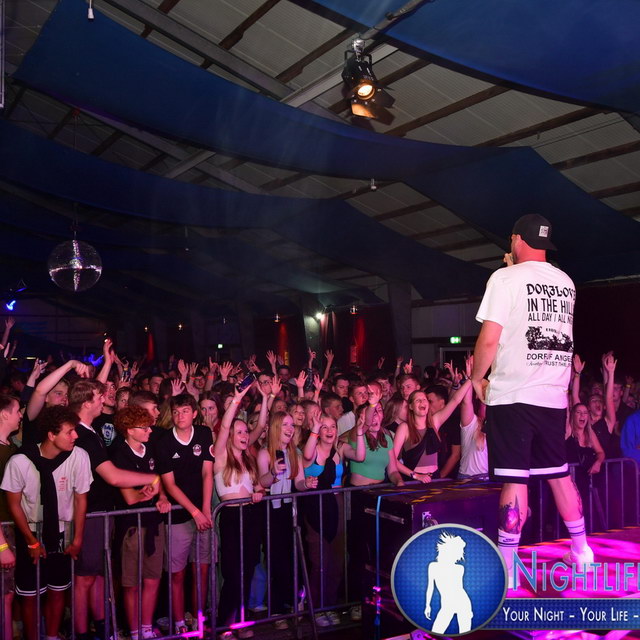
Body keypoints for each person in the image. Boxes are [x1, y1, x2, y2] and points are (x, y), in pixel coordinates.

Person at [471, 214, 592, 589]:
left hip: (514, 395)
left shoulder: (503, 279)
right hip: (553, 396)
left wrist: (476, 377)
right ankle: (581, 550)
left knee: (514, 480)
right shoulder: (565, 282)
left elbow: (490, 338)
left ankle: (508, 568)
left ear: (516, 240)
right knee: (559, 474)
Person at [70, 379, 160, 640]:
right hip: (88, 513)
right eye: (99, 397)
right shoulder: (81, 434)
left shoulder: (90, 431)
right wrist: (152, 478)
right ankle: (82, 633)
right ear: (87, 403)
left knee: (97, 575)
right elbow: (113, 476)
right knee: (84, 578)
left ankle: (103, 628)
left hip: (100, 511)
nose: (104, 399)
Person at [2, 406, 92, 640]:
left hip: (63, 529)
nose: (76, 436)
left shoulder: (79, 456)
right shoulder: (20, 460)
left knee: (58, 589)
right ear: (52, 435)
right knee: (30, 594)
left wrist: (77, 538)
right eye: (69, 432)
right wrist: (31, 541)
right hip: (31, 530)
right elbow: (14, 504)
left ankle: (51, 636)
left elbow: (81, 499)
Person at [155, 393, 214, 635]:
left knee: (201, 570)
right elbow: (169, 485)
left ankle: (198, 619)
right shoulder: (163, 441)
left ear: (194, 413)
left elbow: (207, 473)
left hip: (202, 512)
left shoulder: (204, 434)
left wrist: (206, 509)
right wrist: (195, 512)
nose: (180, 416)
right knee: (177, 574)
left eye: (185, 411)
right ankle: (180, 623)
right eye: (176, 412)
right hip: (178, 516)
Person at [111, 407, 171, 640]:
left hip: (154, 524)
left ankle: (146, 628)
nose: (149, 431)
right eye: (144, 428)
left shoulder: (151, 448)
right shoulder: (119, 454)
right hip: (131, 527)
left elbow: (160, 480)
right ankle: (135, 631)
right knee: (131, 583)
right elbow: (129, 497)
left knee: (153, 578)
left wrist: (162, 496)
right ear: (129, 430)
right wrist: (144, 493)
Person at [303, 410, 365, 626]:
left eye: (333, 427)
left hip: (337, 505)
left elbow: (360, 456)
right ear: (318, 431)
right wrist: (314, 428)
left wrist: (360, 430)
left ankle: (329, 606)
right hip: (317, 506)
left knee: (337, 561)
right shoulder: (311, 449)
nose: (329, 431)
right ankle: (316, 609)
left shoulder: (340, 448)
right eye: (324, 427)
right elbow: (307, 455)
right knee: (319, 562)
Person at [256, 411, 317, 629]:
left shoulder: (295, 453)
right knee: (275, 560)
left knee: (293, 558)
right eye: (285, 425)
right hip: (271, 513)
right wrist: (272, 473)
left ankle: (293, 603)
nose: (290, 429)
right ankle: (277, 610)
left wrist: (306, 484)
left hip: (290, 511)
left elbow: (298, 483)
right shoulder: (265, 453)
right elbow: (262, 482)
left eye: (291, 425)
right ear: (275, 428)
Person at [214, 383, 263, 639]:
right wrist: (237, 400)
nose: (245, 435)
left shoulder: (248, 460)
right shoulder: (221, 457)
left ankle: (240, 623)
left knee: (248, 571)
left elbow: (258, 487)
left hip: (250, 515)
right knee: (233, 575)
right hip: (232, 517)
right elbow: (223, 427)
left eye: (246, 431)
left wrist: (259, 491)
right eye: (240, 431)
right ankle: (223, 626)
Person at [0, 394, 19, 640]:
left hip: (9, 528)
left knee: (7, 595)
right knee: (4, 596)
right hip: (2, 533)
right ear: (4, 414)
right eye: (16, 411)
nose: (20, 415)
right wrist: (2, 546)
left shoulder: (10, 446)